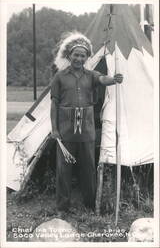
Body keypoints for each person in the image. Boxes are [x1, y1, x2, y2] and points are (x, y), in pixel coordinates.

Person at [50, 32, 123, 213]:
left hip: (87, 130)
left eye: (83, 55)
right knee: (63, 170)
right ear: (69, 56)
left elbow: (102, 79)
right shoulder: (59, 77)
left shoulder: (91, 75)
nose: (79, 58)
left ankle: (90, 204)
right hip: (65, 130)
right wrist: (54, 129)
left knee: (88, 167)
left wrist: (113, 79)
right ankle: (62, 207)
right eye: (76, 55)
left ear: (87, 57)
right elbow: (54, 104)